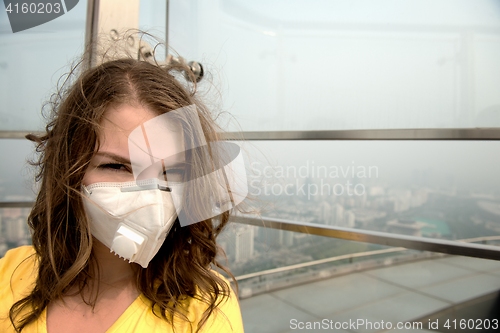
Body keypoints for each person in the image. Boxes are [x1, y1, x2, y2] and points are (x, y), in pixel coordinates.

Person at [0, 46, 245, 333]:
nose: (150, 197)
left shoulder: (204, 308)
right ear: (68, 170)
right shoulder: (10, 273)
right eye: (117, 167)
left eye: (170, 173)